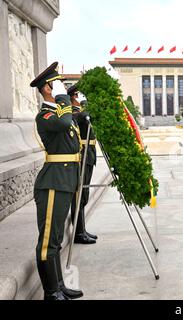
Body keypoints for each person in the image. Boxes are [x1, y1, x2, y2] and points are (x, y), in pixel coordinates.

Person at [30, 62, 84, 300]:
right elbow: (63, 123)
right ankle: (50, 292)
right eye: (58, 83)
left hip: (65, 181)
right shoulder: (45, 116)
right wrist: (62, 97)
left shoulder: (61, 113)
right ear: (47, 88)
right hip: (52, 183)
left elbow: (73, 127)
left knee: (57, 239)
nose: (63, 88)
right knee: (48, 241)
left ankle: (59, 286)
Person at [67, 84, 98, 245]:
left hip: (89, 155)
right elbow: (81, 117)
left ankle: (82, 229)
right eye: (77, 95)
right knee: (79, 195)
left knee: (84, 195)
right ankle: (78, 232)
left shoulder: (81, 110)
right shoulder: (74, 112)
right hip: (82, 156)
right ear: (73, 96)